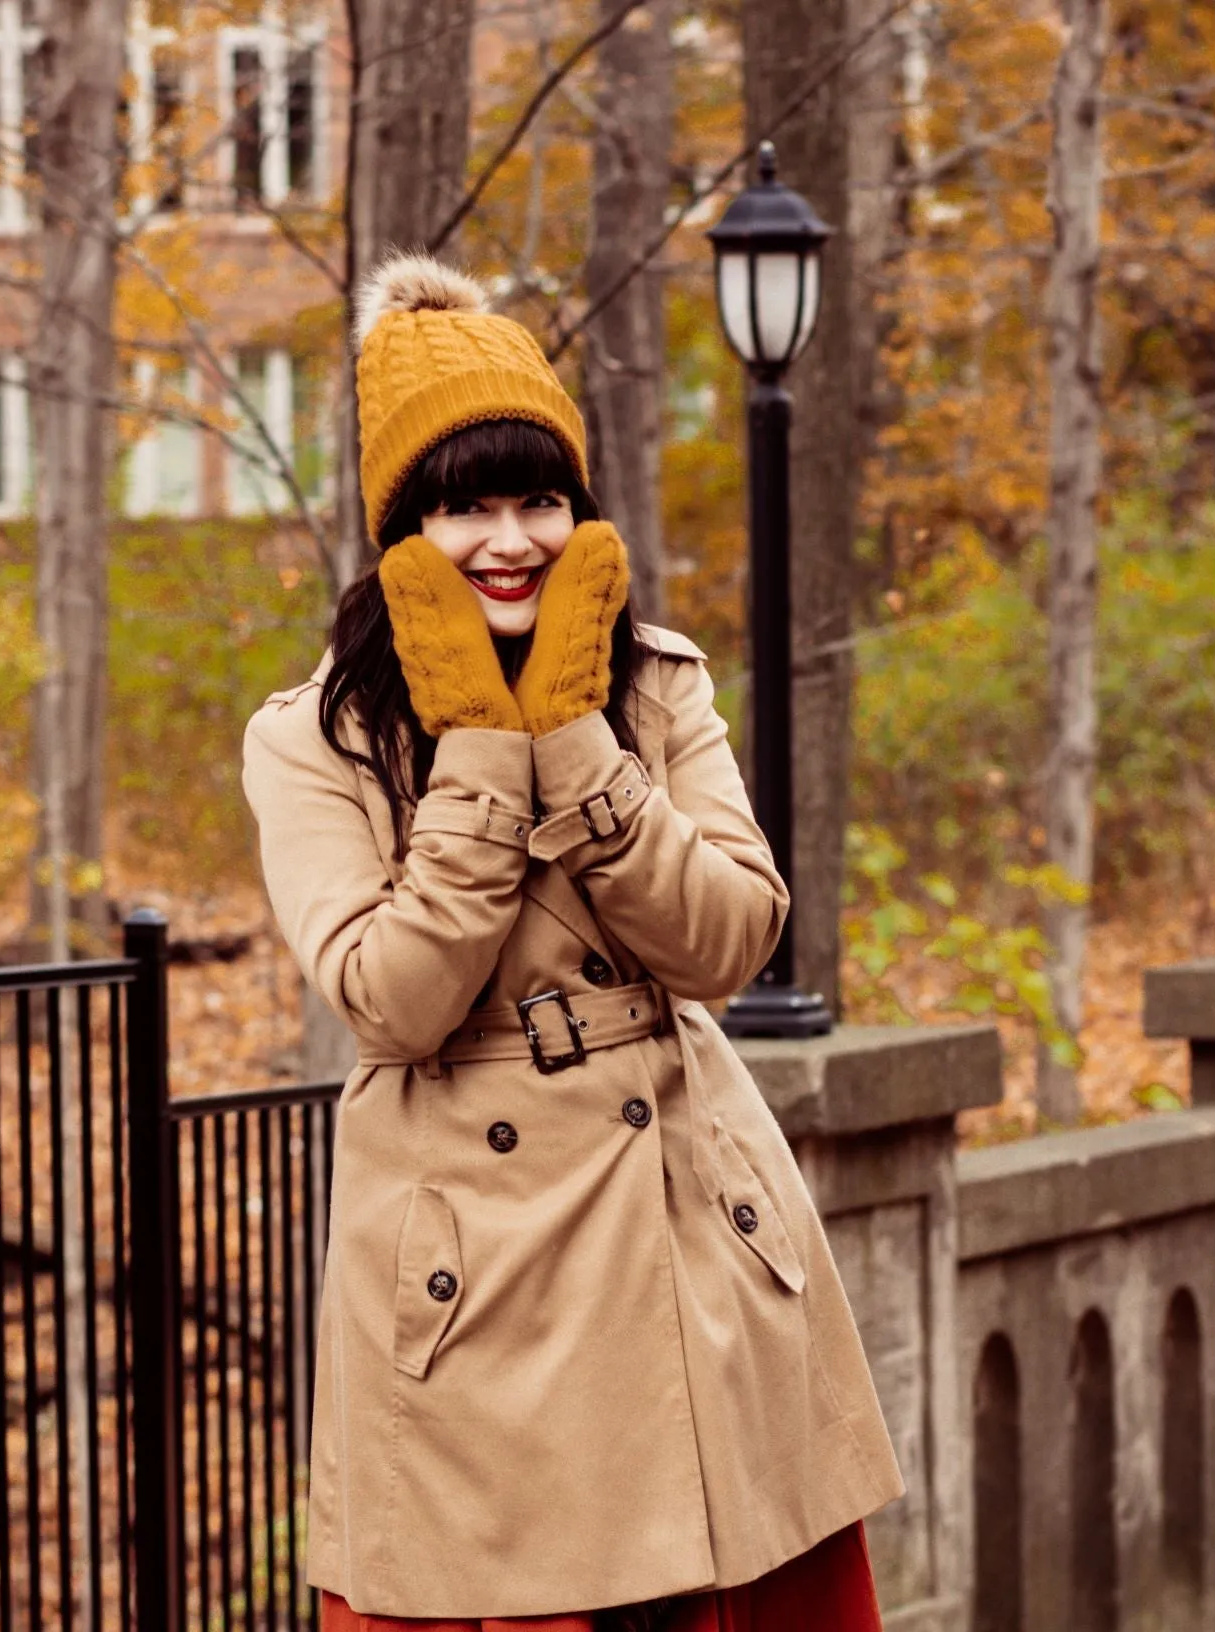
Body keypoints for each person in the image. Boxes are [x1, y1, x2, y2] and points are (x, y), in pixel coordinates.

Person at [240, 252, 903, 1632]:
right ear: (399, 529)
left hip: (684, 1232)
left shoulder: (651, 683)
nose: (510, 538)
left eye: (540, 499)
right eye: (464, 505)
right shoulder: (314, 737)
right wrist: (487, 747)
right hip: (476, 1274)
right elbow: (391, 1003)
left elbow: (732, 941)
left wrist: (584, 752)